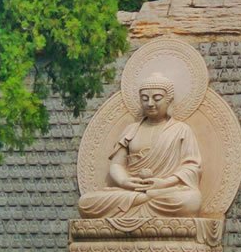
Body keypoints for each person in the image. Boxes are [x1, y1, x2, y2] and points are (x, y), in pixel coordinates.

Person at [78, 72, 203, 223]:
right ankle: (142, 200)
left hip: (165, 191)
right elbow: (117, 164)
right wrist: (124, 181)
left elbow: (192, 167)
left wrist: (164, 183)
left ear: (169, 100)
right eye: (145, 99)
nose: (150, 103)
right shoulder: (132, 129)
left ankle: (141, 202)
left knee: (190, 200)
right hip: (130, 191)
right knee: (86, 202)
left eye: (157, 98)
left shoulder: (181, 130)